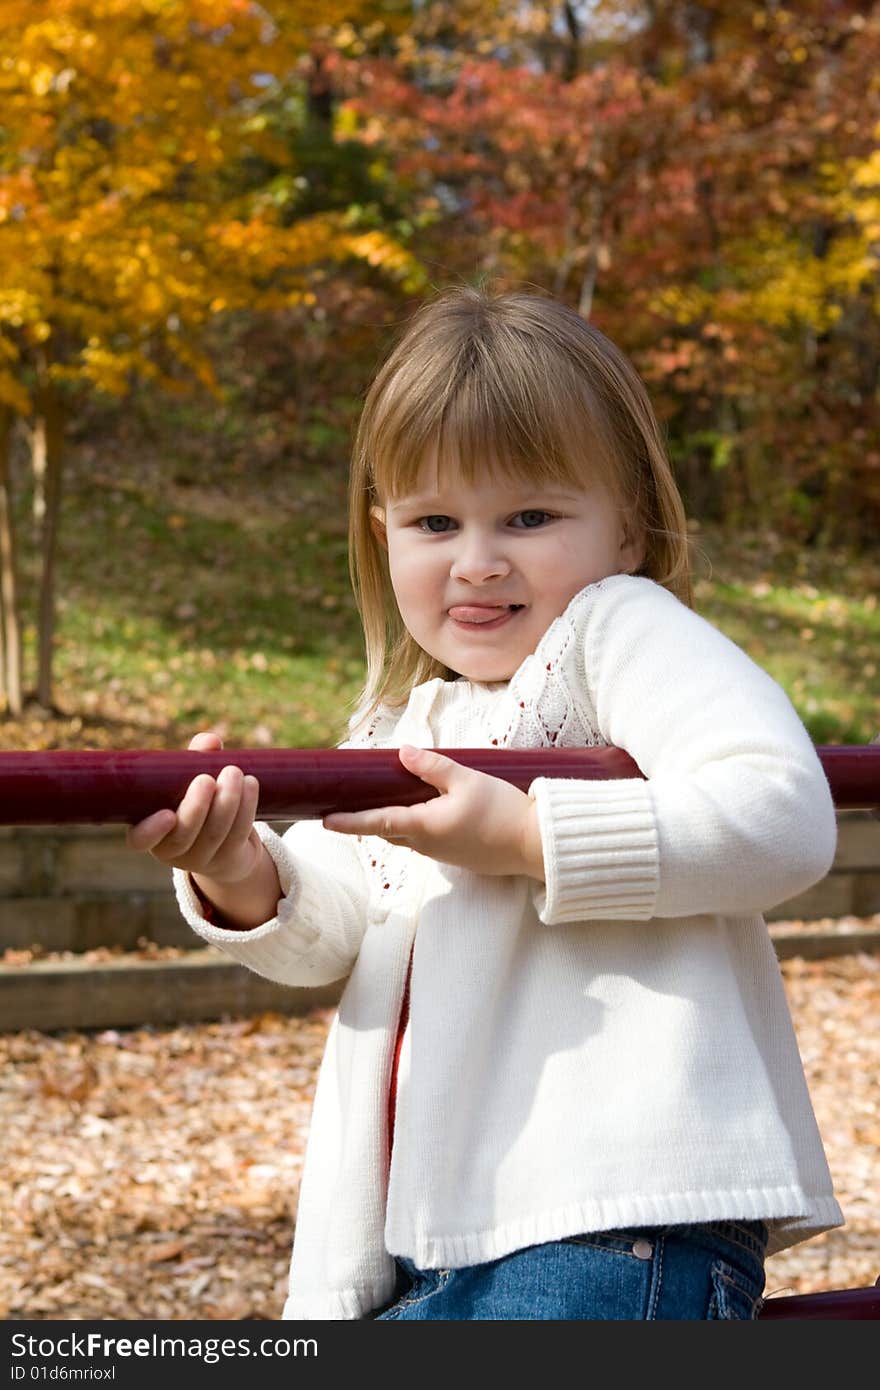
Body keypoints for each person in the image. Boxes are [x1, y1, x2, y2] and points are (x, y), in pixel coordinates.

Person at [127, 284, 843, 1321]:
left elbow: (780, 810)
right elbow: (339, 926)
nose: (477, 559)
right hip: (427, 1241)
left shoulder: (615, 632)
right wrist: (239, 868)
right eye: (433, 520)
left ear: (630, 527)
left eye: (531, 515)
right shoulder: (404, 714)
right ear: (383, 535)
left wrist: (523, 834)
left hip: (608, 1215)